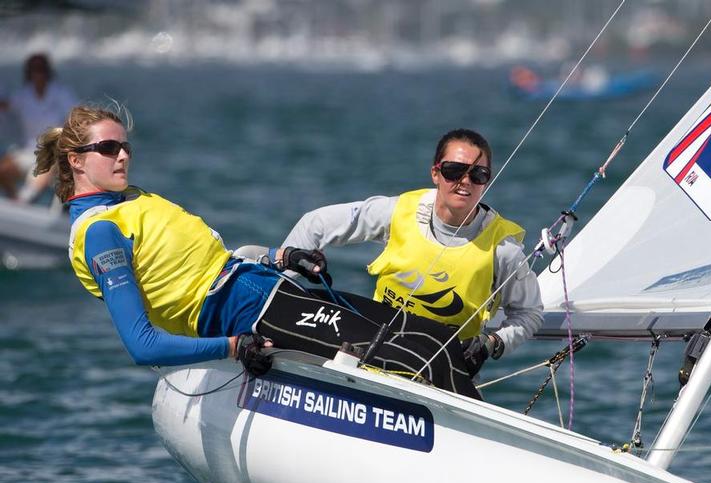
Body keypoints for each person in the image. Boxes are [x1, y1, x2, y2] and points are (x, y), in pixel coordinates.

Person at [38, 103, 480, 397]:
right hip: (244, 315)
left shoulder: (132, 199)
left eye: (125, 147)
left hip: (265, 288)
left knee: (439, 338)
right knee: (416, 356)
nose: (123, 157)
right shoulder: (99, 233)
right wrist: (233, 346)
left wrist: (278, 257)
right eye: (109, 149)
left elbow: (209, 263)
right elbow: (143, 345)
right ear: (76, 160)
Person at [283, 128, 543, 377]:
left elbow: (528, 313)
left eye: (478, 175)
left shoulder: (503, 249)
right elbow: (315, 224)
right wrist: (278, 293)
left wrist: (492, 343)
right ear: (435, 173)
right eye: (454, 171)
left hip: (442, 374)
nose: (465, 182)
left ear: (487, 181)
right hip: (373, 359)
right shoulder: (398, 212)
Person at [0, 54, 76, 202]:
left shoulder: (61, 94)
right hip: (27, 149)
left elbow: (76, 117)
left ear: (47, 71)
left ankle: (22, 203)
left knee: (46, 167)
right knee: (3, 169)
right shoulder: (23, 95)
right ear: (28, 73)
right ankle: (15, 203)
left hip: (53, 150)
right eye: (34, 69)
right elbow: (5, 106)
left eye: (41, 69)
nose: (38, 73)